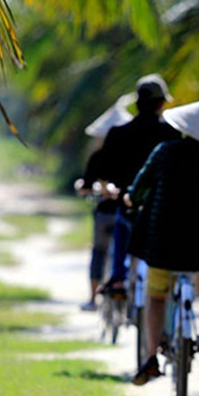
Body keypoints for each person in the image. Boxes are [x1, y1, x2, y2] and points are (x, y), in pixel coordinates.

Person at [125, 98, 199, 385]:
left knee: (156, 297)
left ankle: (151, 357)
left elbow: (139, 188)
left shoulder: (164, 152)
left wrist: (131, 198)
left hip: (161, 244)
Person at [96, 74, 181, 294]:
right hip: (164, 209)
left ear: (137, 103)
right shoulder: (171, 133)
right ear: (161, 104)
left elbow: (103, 172)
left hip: (129, 205)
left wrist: (107, 188)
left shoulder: (118, 133)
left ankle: (117, 277)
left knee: (121, 225)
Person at [75, 99, 133, 311]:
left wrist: (86, 188)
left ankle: (92, 299)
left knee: (99, 252)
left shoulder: (98, 157)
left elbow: (86, 184)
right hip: (128, 213)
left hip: (104, 215)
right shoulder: (132, 155)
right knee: (129, 251)